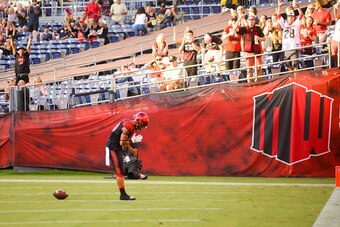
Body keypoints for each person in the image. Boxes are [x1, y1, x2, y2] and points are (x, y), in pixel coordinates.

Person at [105, 112, 150, 200]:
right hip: (113, 147)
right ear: (138, 122)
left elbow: (122, 141)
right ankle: (123, 195)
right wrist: (131, 148)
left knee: (121, 171)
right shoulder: (128, 126)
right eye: (142, 125)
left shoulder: (130, 124)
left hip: (116, 147)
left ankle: (123, 194)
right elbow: (122, 142)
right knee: (120, 171)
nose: (142, 127)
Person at [234, 14, 266, 82]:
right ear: (247, 21)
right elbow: (234, 29)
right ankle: (250, 85)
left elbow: (264, 38)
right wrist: (239, 18)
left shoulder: (258, 28)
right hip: (248, 52)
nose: (251, 21)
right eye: (249, 20)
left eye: (252, 20)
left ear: (254, 21)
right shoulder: (244, 29)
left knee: (259, 68)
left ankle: (260, 84)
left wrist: (259, 38)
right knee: (249, 69)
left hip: (257, 51)